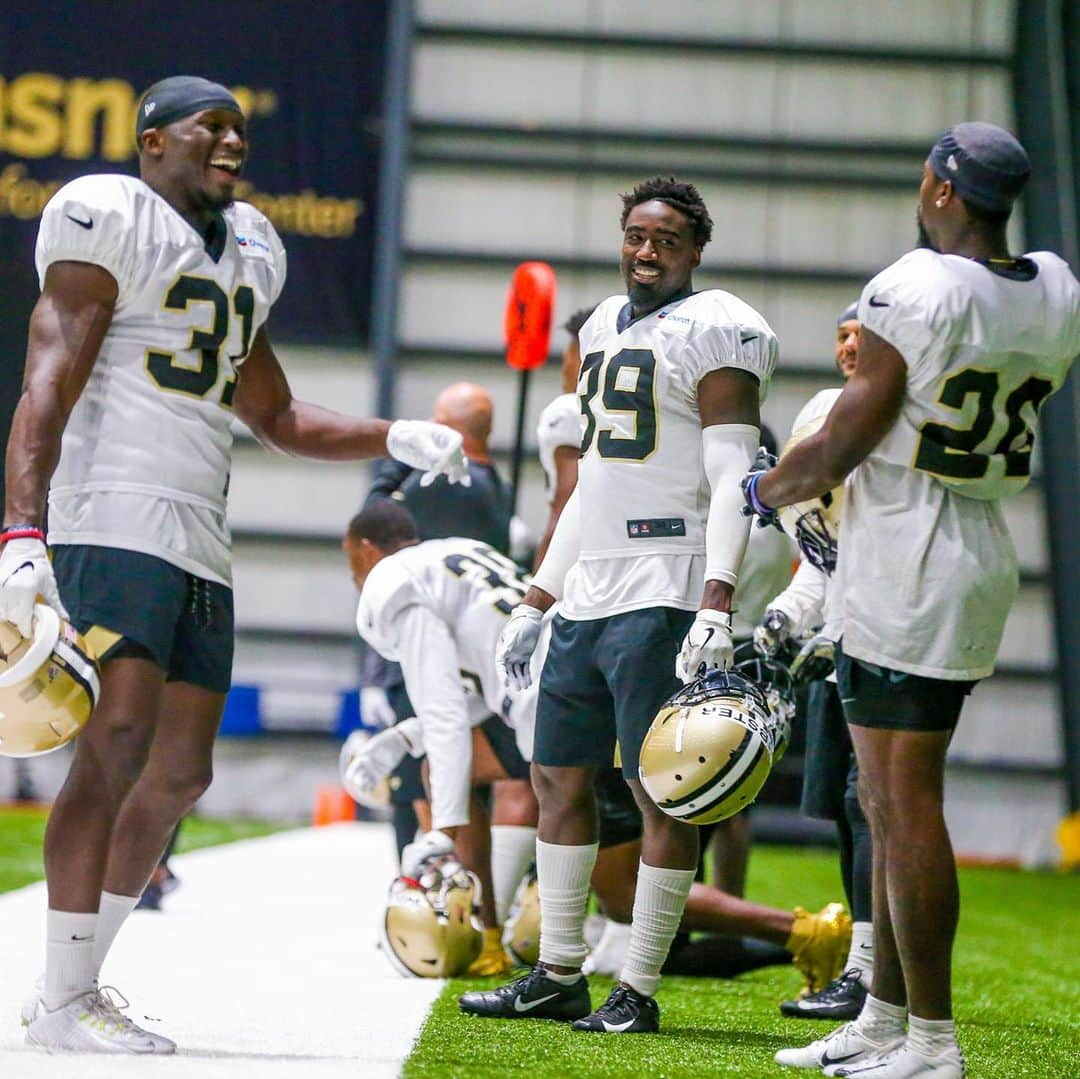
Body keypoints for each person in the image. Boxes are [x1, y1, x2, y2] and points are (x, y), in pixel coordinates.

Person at [0, 75, 468, 1056]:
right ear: (154, 140)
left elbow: (277, 414)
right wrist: (22, 530)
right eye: (211, 128)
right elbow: (47, 376)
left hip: (200, 529)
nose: (231, 144)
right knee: (119, 736)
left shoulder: (250, 247)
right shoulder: (108, 214)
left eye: (240, 131)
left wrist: (399, 431)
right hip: (114, 507)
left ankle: (75, 986)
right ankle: (62, 993)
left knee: (179, 768)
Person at [744, 123, 1080, 1077]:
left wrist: (765, 487)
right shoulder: (1054, 285)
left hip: (910, 551)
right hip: (967, 540)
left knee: (903, 803)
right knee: (883, 807)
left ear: (941, 186)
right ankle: (885, 1018)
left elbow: (848, 432)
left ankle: (932, 1039)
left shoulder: (915, 285)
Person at [460, 176, 778, 1034]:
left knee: (661, 793)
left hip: (666, 581)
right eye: (637, 235)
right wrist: (536, 599)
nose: (647, 250)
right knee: (556, 775)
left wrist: (718, 598)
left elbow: (731, 481)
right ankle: (559, 970)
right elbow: (590, 486)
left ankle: (636, 986)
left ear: (695, 250)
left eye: (666, 239)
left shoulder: (722, 326)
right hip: (590, 584)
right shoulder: (601, 323)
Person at [342, 501, 540, 975]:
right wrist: (405, 737)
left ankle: (558, 963)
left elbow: (446, 713)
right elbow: (480, 690)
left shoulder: (392, 583)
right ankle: (492, 936)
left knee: (622, 884)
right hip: (557, 688)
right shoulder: (458, 552)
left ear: (367, 552)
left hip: (551, 713)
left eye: (349, 559)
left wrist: (442, 831)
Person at [756, 304, 875, 1022]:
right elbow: (822, 561)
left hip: (889, 647)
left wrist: (838, 634)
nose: (850, 345)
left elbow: (878, 557)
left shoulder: (886, 427)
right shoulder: (820, 419)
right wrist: (785, 619)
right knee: (844, 810)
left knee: (873, 809)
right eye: (841, 334)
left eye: (864, 332)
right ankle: (865, 963)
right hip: (842, 654)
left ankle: (870, 972)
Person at [360, 381, 515, 861]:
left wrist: (393, 469)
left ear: (445, 430)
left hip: (431, 641)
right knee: (462, 774)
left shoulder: (442, 482)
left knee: (422, 779)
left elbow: (374, 525)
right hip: (483, 659)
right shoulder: (498, 488)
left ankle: (429, 886)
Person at [533, 306, 594, 567]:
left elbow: (567, 507)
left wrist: (537, 587)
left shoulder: (570, 409)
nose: (564, 366)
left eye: (569, 353)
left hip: (578, 566)